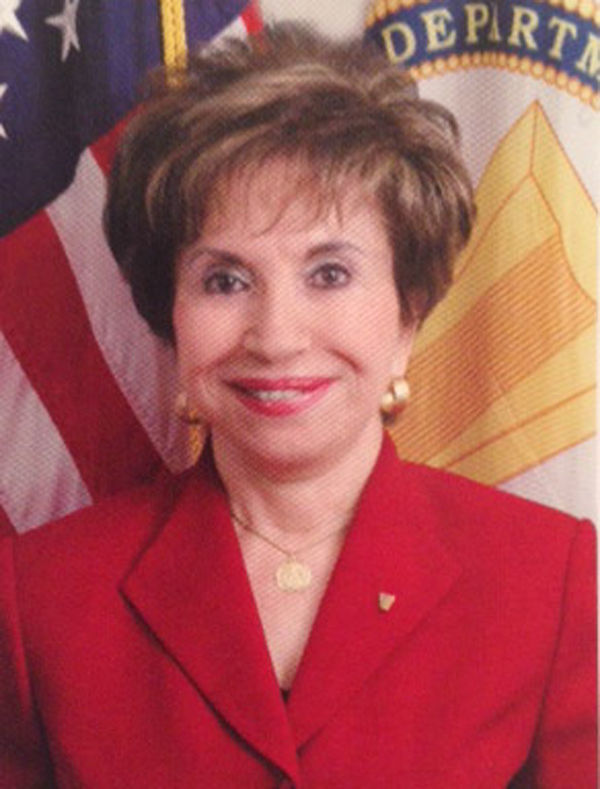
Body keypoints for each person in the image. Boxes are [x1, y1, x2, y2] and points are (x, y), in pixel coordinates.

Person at [0, 24, 595, 788]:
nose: (276, 337)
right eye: (225, 280)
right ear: (170, 316)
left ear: (408, 315)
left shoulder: (545, 580)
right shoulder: (42, 595)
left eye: (329, 273)